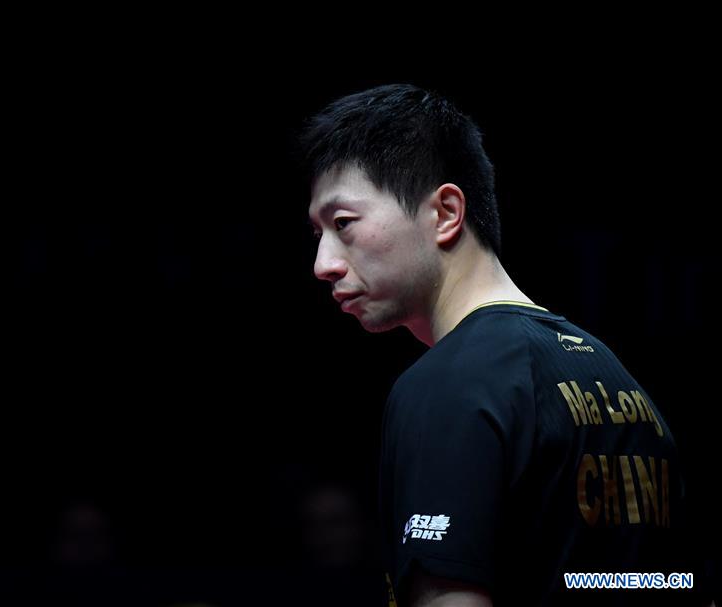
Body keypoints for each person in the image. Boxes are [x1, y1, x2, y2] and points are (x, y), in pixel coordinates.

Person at [301, 84, 712, 606]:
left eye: (343, 224)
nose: (324, 263)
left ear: (446, 212)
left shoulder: (446, 387)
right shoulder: (617, 380)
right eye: (318, 234)